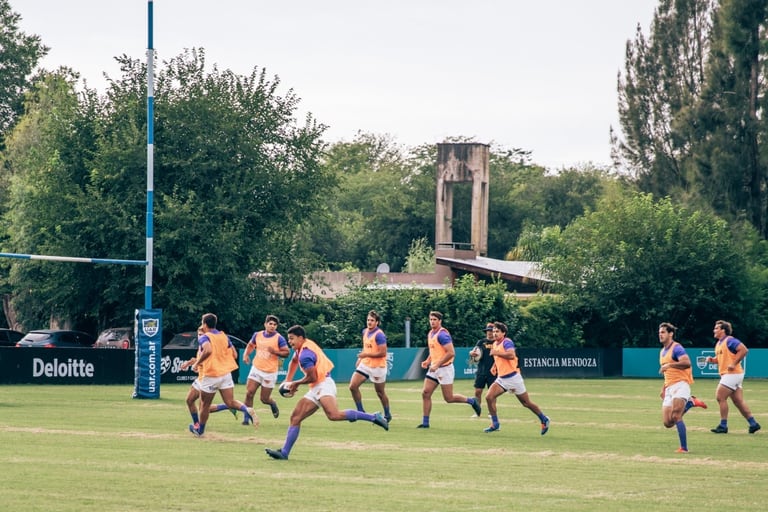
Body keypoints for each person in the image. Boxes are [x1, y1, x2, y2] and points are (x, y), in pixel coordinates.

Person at [265, 325, 389, 460]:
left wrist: (295, 384)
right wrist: (287, 380)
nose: (290, 341)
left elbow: (312, 377)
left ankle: (374, 417)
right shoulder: (301, 348)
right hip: (316, 386)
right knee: (295, 417)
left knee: (334, 415)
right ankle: (284, 453)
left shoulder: (306, 354)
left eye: (292, 338)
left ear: (300, 338)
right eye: (289, 339)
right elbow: (293, 361)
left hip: (324, 384)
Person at [182, 313, 258, 437]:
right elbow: (234, 355)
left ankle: (200, 430)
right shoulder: (224, 336)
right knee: (230, 402)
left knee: (204, 406)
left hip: (211, 374)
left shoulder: (205, 337)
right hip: (225, 374)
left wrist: (198, 363)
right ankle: (246, 409)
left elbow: (208, 350)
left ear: (205, 324)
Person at [416, 311, 482, 428]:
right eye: (431, 319)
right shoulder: (431, 333)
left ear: (440, 321)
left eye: (435, 319)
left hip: (444, 369)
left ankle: (472, 401)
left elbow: (451, 353)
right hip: (434, 369)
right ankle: (425, 423)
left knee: (449, 398)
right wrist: (428, 360)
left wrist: (437, 365)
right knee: (425, 393)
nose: (432, 322)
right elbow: (435, 350)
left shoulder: (442, 334)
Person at [483, 321, 550, 435]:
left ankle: (544, 419)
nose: (494, 334)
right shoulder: (495, 344)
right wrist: (494, 366)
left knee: (526, 403)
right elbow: (498, 357)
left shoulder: (507, 342)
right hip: (502, 379)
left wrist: (497, 353)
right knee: (489, 397)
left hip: (513, 378)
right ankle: (495, 423)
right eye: (493, 331)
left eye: (497, 331)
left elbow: (511, 355)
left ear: (503, 333)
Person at [658, 322, 708, 453]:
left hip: (681, 385)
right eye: (659, 332)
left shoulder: (677, 348)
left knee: (676, 416)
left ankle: (684, 448)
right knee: (667, 422)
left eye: (663, 332)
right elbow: (668, 373)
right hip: (669, 387)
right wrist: (664, 388)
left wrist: (669, 365)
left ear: (671, 334)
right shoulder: (662, 351)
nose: (660, 335)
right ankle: (690, 402)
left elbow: (686, 362)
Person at [706, 320, 761, 434]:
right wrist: (713, 360)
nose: (714, 330)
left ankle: (723, 425)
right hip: (733, 374)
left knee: (720, 397)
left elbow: (744, 350)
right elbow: (722, 359)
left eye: (716, 328)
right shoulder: (719, 344)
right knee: (738, 401)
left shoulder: (729, 340)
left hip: (732, 374)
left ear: (723, 330)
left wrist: (734, 363)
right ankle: (753, 424)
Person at [241, 314, 290, 423]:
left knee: (264, 399)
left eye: (275, 324)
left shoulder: (279, 338)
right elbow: (250, 345)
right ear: (265, 324)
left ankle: (272, 403)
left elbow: (287, 352)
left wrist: (275, 352)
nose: (272, 326)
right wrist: (246, 355)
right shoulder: (257, 335)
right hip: (256, 368)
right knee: (249, 393)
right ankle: (246, 418)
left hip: (270, 372)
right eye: (270, 324)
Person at [349, 310, 392, 422]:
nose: (369, 322)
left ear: (377, 322)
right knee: (353, 386)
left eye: (372, 320)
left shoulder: (380, 335)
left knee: (380, 392)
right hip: (366, 364)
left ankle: (387, 415)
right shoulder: (365, 332)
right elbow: (366, 348)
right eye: (368, 320)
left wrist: (366, 354)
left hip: (378, 367)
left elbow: (383, 353)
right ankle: (360, 412)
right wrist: (360, 358)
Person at [469, 323, 496, 417]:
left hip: (493, 372)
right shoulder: (481, 342)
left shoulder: (497, 342)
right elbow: (474, 352)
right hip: (481, 371)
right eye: (488, 331)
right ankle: (477, 411)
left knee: (492, 394)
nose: (489, 333)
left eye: (491, 331)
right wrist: (471, 353)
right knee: (478, 392)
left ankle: (491, 412)